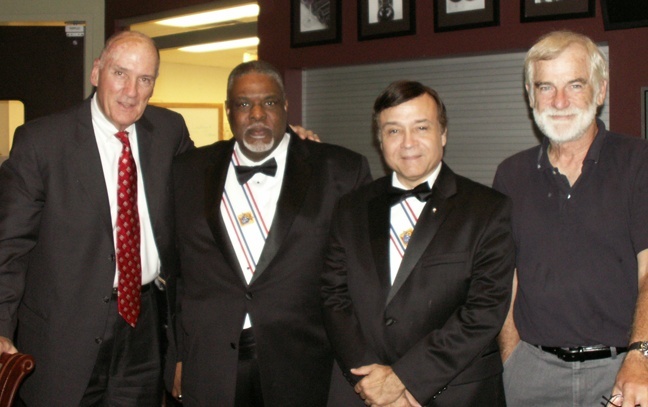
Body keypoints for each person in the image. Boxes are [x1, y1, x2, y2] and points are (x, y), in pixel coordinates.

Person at [0, 31, 194, 406]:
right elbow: (8, 246)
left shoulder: (169, 131)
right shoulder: (41, 143)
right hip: (62, 334)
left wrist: (285, 145)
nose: (131, 92)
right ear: (96, 72)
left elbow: (209, 184)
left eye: (145, 79)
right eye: (120, 73)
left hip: (144, 329)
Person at [167, 60, 371, 406]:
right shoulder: (186, 171)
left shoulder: (341, 170)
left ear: (286, 106)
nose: (257, 114)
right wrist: (177, 355)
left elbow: (363, 280)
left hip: (306, 364)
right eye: (244, 104)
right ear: (228, 110)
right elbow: (177, 274)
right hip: (211, 366)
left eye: (270, 102)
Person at [321, 80, 515, 406]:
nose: (407, 142)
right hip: (362, 392)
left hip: (455, 393)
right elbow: (333, 298)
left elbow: (483, 311)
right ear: (379, 139)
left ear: (443, 134)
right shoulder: (350, 207)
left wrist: (403, 380)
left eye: (421, 127)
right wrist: (372, 382)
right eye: (393, 131)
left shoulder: (488, 210)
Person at [494, 30, 648, 407]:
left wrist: (641, 355)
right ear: (530, 96)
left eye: (574, 85)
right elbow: (504, 281)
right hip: (532, 373)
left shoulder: (639, 163)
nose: (559, 101)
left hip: (622, 371)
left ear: (599, 91)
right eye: (545, 87)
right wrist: (512, 361)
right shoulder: (510, 175)